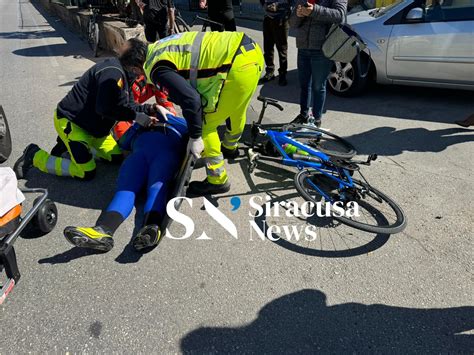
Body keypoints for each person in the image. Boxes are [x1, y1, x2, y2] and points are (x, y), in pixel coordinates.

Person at [119, 33, 263, 196]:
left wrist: (196, 137)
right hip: (251, 52)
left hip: (237, 68)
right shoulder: (157, 47)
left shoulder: (156, 68)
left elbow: (191, 100)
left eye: (133, 71)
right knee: (237, 109)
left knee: (206, 124)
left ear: (136, 67)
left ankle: (217, 180)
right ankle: (230, 147)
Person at [13, 41, 160, 181]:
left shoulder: (126, 74)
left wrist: (149, 109)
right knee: (86, 172)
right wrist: (136, 116)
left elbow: (128, 105)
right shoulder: (112, 74)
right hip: (73, 123)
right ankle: (34, 155)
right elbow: (105, 109)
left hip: (97, 130)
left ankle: (75, 149)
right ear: (135, 66)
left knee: (116, 158)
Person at [290, 0, 347, 127]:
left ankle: (316, 119)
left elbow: (340, 15)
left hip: (323, 49)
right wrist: (298, 15)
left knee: (318, 86)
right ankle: (303, 115)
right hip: (303, 47)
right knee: (304, 85)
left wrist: (314, 10)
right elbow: (292, 23)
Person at [259, 0, 295, 86]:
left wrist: (277, 5)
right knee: (268, 47)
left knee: (282, 49)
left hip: (281, 19)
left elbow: (293, 1)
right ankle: (270, 72)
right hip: (268, 18)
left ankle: (282, 74)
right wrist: (264, 4)